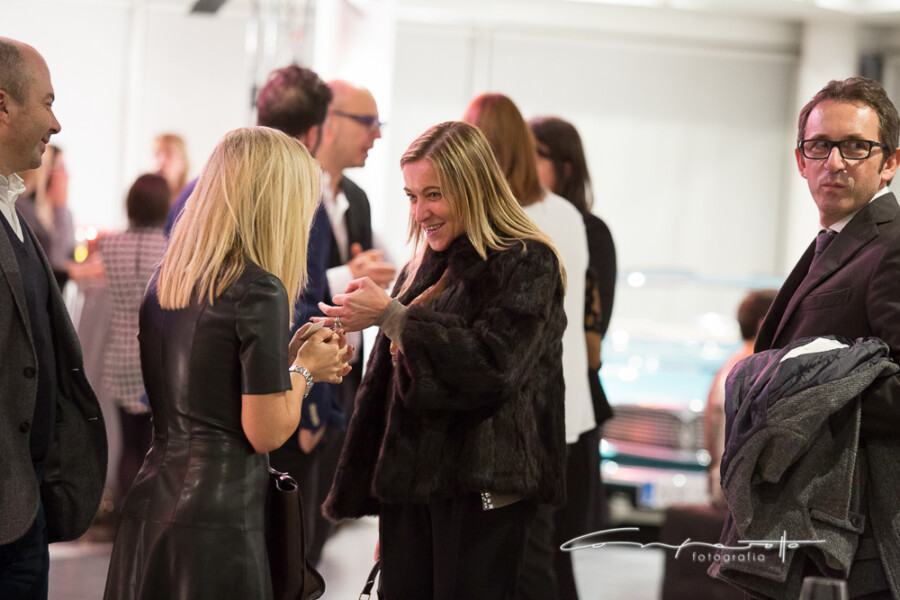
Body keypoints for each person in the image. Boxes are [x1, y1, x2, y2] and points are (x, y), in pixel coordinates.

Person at [322, 121, 568, 600]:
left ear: (474, 187)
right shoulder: (421, 265)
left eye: (432, 195)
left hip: (483, 494)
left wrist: (393, 317)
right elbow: (391, 393)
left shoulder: (527, 261)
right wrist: (394, 503)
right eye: (412, 196)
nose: (420, 213)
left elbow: (492, 365)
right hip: (416, 497)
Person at [102, 127, 350, 599]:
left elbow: (206, 385)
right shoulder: (260, 289)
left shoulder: (168, 278)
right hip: (218, 520)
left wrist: (289, 357)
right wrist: (305, 372)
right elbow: (266, 431)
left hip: (152, 498)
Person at [732, 77, 900, 598]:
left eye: (856, 146)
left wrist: (801, 391)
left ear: (890, 162)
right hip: (810, 526)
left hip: (858, 534)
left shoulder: (892, 247)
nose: (835, 162)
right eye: (820, 146)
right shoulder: (833, 243)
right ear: (800, 160)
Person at [463, 94, 590, 600]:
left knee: (521, 555)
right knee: (533, 548)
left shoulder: (508, 222)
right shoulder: (565, 214)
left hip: (525, 407)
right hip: (560, 406)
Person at [0, 37, 107, 599]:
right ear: (2, 105)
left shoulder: (13, 210)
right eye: (47, 103)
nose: (56, 123)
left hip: (25, 504)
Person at [305, 78, 396, 564]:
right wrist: (348, 276)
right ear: (329, 122)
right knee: (295, 532)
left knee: (320, 527)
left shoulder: (357, 198)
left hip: (345, 377)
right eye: (367, 122)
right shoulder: (295, 189)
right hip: (302, 375)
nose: (377, 135)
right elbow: (283, 284)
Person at [529, 115, 616, 600]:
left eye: (536, 154)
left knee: (550, 559)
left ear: (564, 166)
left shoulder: (588, 230)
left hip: (568, 413)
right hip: (548, 412)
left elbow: (590, 332)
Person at [98, 173, 170, 507]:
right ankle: (147, 517)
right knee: (155, 445)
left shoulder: (109, 245)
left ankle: (123, 517)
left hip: (120, 354)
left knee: (128, 445)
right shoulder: (169, 247)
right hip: (156, 354)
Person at [703, 289, 776, 510]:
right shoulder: (761, 370)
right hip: (746, 489)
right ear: (763, 323)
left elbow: (710, 427)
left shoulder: (729, 366)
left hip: (723, 480)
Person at [17, 145, 75, 289]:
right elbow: (57, 262)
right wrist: (61, 207)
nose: (65, 175)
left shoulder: (50, 211)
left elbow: (71, 255)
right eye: (60, 168)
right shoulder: (23, 207)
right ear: (46, 170)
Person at [153, 133, 189, 207]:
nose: (161, 161)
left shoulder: (191, 201)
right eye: (157, 154)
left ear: (183, 163)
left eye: (169, 154)